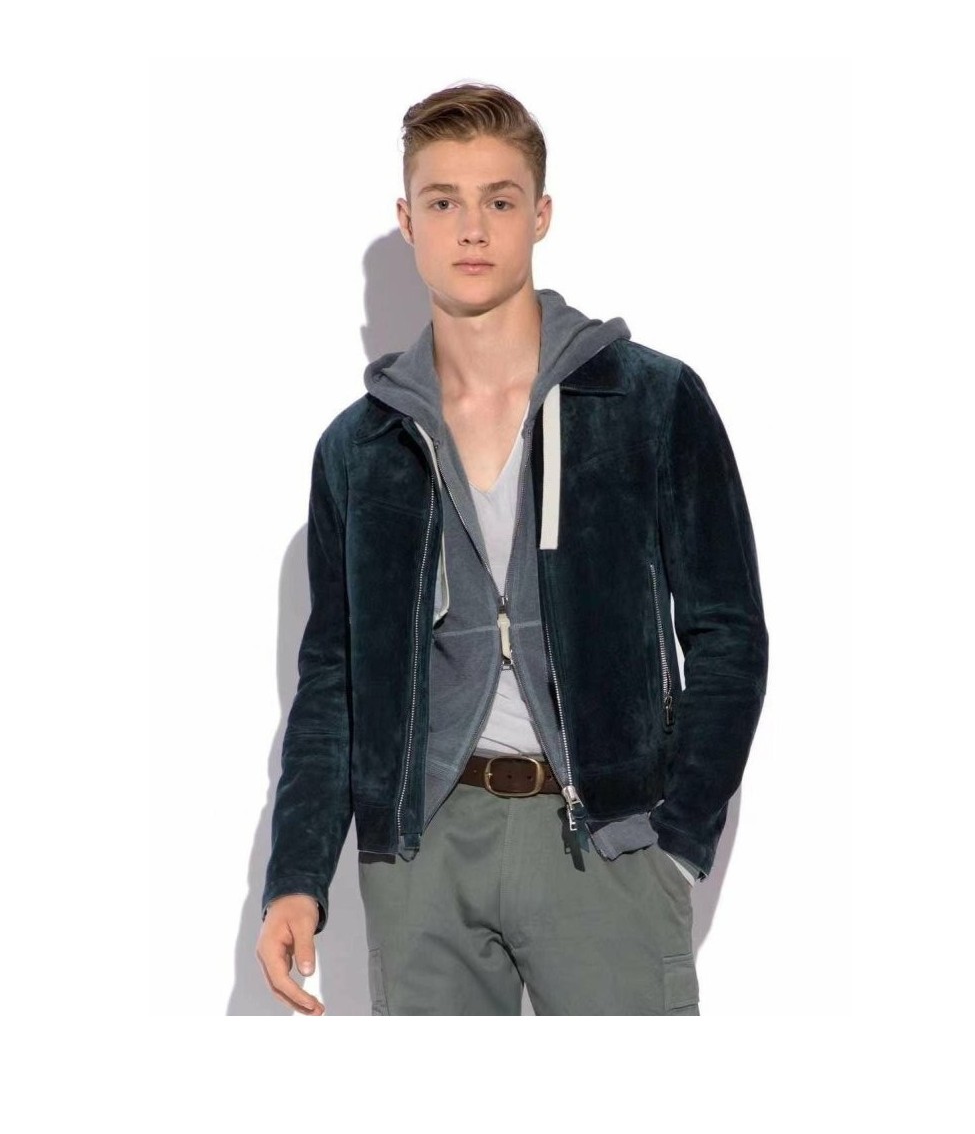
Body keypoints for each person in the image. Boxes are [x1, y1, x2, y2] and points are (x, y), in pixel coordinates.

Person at [256, 81, 768, 1015]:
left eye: (498, 200)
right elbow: (332, 680)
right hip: (425, 857)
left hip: (604, 848)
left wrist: (678, 834)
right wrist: (297, 875)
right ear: (407, 222)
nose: (471, 228)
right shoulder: (360, 449)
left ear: (540, 215)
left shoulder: (649, 401)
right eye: (443, 202)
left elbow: (728, 633)